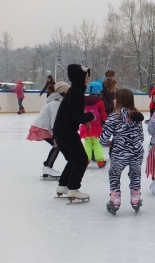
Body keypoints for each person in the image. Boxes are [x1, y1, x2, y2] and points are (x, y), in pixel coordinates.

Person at [53, 64, 95, 202]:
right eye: (86, 76)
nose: (88, 79)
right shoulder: (77, 93)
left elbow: (74, 114)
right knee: (81, 159)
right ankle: (73, 189)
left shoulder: (73, 91)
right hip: (66, 131)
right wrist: (90, 116)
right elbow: (79, 118)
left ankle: (63, 186)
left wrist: (84, 119)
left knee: (74, 159)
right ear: (79, 77)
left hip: (61, 130)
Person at [100, 89, 145, 215]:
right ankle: (135, 198)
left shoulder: (114, 116)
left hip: (120, 152)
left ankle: (115, 199)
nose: (113, 100)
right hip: (137, 152)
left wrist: (107, 143)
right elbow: (141, 137)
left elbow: (103, 139)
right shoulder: (137, 116)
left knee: (114, 174)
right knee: (135, 174)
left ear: (119, 101)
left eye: (115, 98)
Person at [27, 82, 70, 178]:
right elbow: (55, 120)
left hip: (44, 127)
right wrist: (56, 136)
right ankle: (47, 167)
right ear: (64, 91)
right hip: (42, 127)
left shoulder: (58, 101)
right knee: (57, 145)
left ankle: (47, 166)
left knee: (58, 145)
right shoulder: (56, 102)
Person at [79, 81, 108, 168]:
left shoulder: (84, 100)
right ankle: (100, 161)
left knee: (88, 143)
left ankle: (86, 160)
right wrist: (104, 121)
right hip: (97, 127)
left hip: (86, 126)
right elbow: (103, 114)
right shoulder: (99, 102)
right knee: (97, 144)